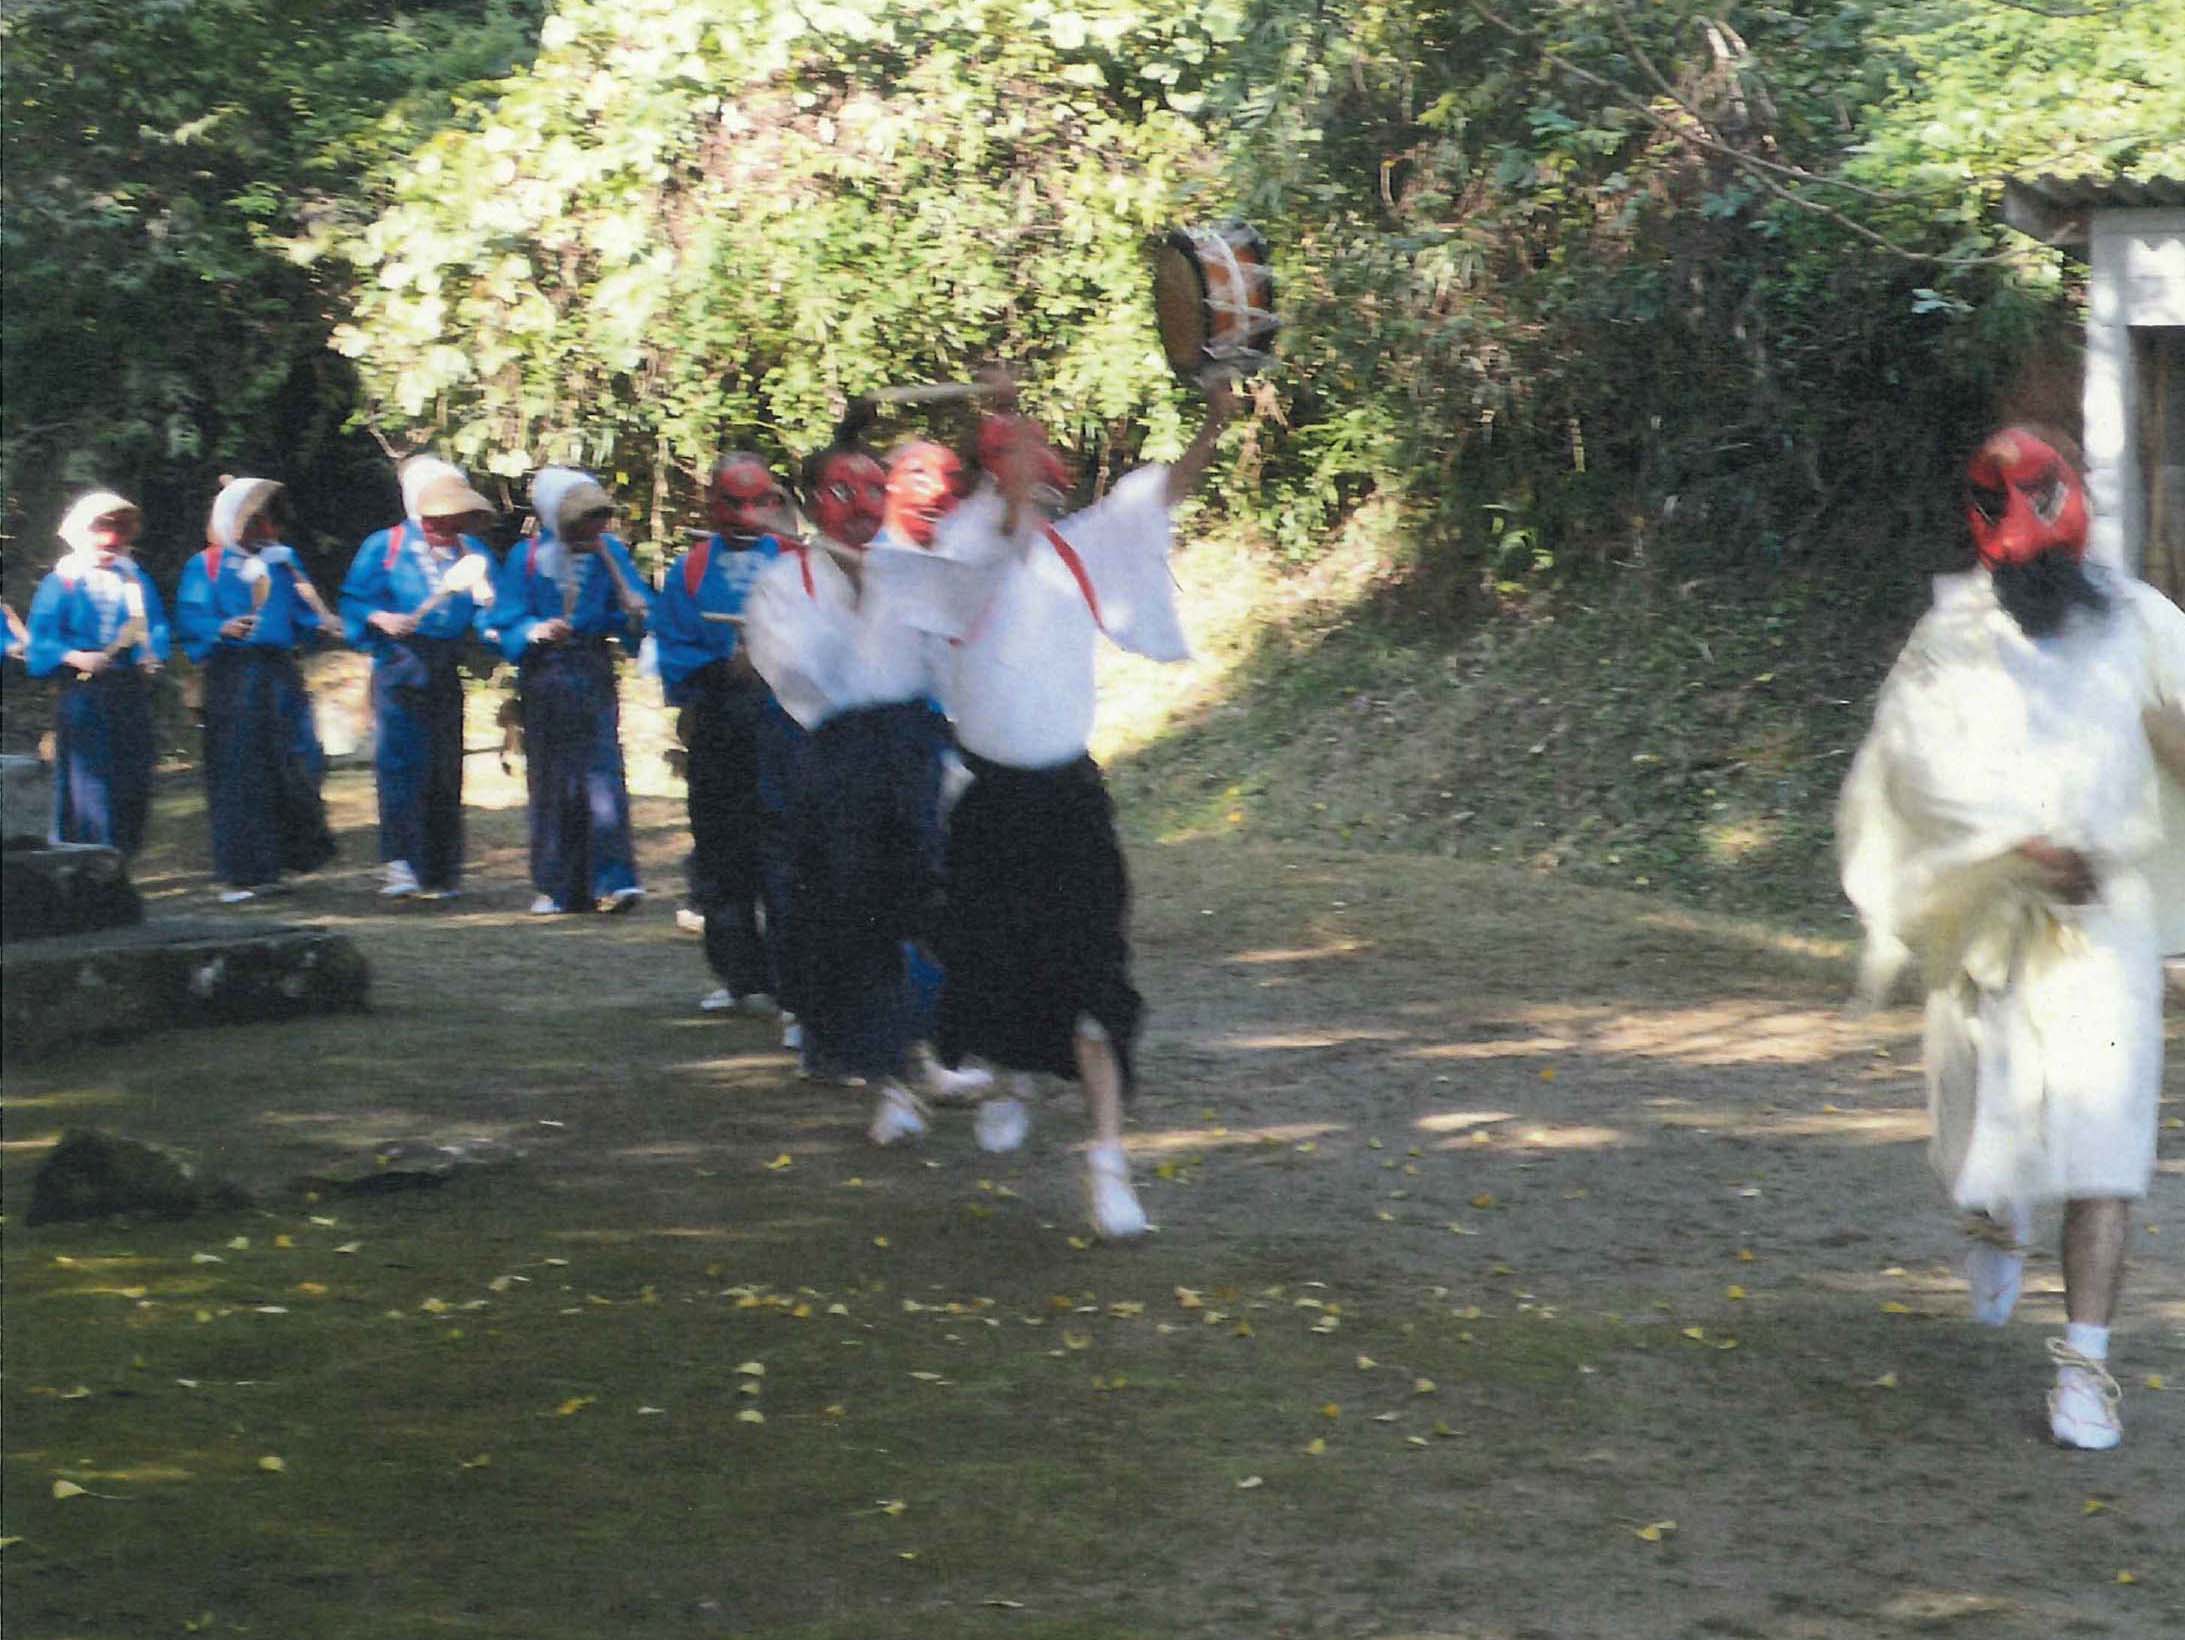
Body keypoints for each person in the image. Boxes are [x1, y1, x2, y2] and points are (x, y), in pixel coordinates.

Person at [1838, 424, 2185, 1450]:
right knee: (1973, 1122)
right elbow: (1910, 770)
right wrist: (2018, 843)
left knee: (2107, 1151)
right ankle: (1991, 1213)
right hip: (1990, 918)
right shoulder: (1952, 638)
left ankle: (2084, 1366)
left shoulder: (2140, 621)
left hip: (2103, 929)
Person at [896, 379, 1236, 1238]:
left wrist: (1216, 419)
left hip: (1067, 799)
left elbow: (1162, 492)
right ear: (991, 472)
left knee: (1093, 975)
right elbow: (995, 538)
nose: (1038, 491)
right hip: (987, 802)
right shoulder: (960, 548)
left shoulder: (1077, 548)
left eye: (1046, 481)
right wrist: (1010, 431)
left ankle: (1108, 1161)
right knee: (990, 966)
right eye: (1020, 471)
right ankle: (1010, 1077)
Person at [741, 424, 971, 1127]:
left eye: (875, 488)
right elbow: (806, 676)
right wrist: (862, 597)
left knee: (929, 907)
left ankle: (927, 1055)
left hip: (911, 749)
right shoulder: (784, 584)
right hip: (836, 757)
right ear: (815, 502)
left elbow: (948, 659)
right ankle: (885, 1084)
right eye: (843, 491)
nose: (862, 505)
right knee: (854, 913)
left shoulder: (911, 569)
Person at [654, 452, 796, 1010]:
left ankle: (791, 983)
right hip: (719, 722)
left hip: (782, 722)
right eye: (733, 502)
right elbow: (673, 644)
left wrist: (772, 659)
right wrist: (717, 670)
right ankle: (739, 976)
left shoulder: (794, 559)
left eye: (757, 501)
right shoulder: (690, 568)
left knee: (782, 853)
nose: (745, 514)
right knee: (719, 852)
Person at [487, 466, 652, 915]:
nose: (589, 530)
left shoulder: (609, 553)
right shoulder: (524, 559)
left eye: (595, 521)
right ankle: (559, 885)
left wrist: (636, 615)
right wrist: (535, 630)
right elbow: (500, 621)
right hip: (544, 675)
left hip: (592, 669)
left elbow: (635, 609)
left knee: (602, 774)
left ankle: (615, 880)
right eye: (580, 522)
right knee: (551, 777)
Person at [338, 456, 499, 900]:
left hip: (444, 663)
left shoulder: (474, 554)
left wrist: (493, 621)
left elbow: (492, 612)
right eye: (437, 519)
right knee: (400, 765)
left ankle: (442, 870)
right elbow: (353, 601)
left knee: (444, 768)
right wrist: (382, 618)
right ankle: (401, 863)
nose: (444, 528)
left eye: (453, 519)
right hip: (398, 663)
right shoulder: (384, 545)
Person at [174, 477, 338, 902]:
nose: (264, 529)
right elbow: (191, 619)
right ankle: (241, 871)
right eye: (254, 520)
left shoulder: (284, 563)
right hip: (233, 675)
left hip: (280, 674)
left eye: (268, 520)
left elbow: (302, 616)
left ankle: (285, 858)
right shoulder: (206, 565)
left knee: (294, 763)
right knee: (238, 769)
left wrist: (321, 624)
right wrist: (219, 627)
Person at [24, 491, 172, 855]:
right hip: (84, 694)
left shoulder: (135, 581)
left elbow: (153, 626)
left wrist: (151, 654)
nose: (111, 540)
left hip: (128, 691)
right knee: (87, 782)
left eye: (120, 529)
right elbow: (41, 642)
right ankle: (87, 861)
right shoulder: (62, 582)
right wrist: (75, 656)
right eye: (103, 528)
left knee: (133, 775)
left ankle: (122, 857)